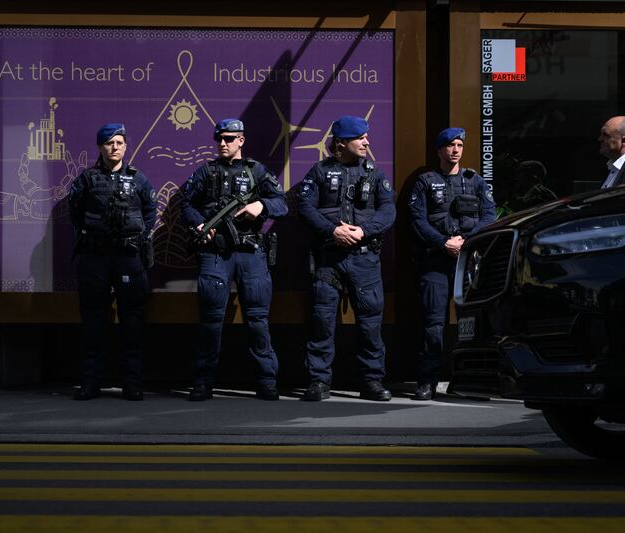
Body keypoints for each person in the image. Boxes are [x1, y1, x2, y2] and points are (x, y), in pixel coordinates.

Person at [179, 118, 287, 401]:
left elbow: (282, 204)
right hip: (216, 252)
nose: (222, 143)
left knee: (258, 319)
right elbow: (187, 205)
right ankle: (203, 381)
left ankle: (266, 380)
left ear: (241, 140)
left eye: (229, 138)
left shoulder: (256, 171)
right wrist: (200, 225)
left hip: (250, 252)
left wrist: (260, 205)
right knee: (212, 319)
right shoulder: (206, 172)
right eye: (219, 139)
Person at [296, 115, 396, 401]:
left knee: (370, 324)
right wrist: (333, 231)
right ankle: (318, 382)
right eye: (360, 138)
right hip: (329, 260)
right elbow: (305, 208)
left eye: (366, 137)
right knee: (322, 322)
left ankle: (372, 382)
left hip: (364, 260)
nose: (367, 142)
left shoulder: (375, 173)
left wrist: (363, 231)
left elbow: (388, 211)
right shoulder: (318, 171)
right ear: (341, 143)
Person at [68, 123, 158, 401]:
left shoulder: (139, 179)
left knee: (131, 322)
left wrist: (136, 237)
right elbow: (75, 211)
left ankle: (132, 384)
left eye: (119, 142)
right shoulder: (87, 179)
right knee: (93, 321)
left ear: (126, 146)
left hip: (128, 258)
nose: (115, 147)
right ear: (100, 147)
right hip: (95, 257)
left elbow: (150, 211)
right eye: (109, 143)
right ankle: (90, 383)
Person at [408, 127, 497, 400]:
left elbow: (489, 216)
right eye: (449, 145)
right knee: (433, 324)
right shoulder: (425, 182)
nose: (455, 149)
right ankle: (427, 382)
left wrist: (465, 241)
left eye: (459, 144)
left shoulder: (475, 181)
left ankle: (468, 381)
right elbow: (417, 220)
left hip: (467, 261)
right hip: (435, 260)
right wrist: (442, 242)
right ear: (439, 150)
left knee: (470, 324)